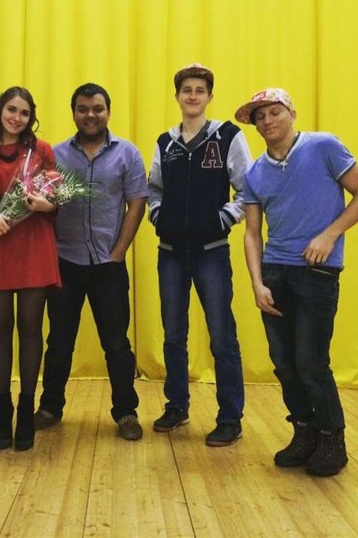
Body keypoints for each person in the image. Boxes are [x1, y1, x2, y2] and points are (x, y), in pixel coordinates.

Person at [237, 88, 358, 476]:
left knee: (311, 361)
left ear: (291, 113)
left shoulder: (324, 146)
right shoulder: (254, 173)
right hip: (275, 272)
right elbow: (252, 233)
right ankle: (304, 430)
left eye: (274, 112)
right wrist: (257, 282)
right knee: (283, 361)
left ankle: (331, 437)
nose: (267, 121)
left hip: (317, 272)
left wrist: (330, 235)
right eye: (260, 116)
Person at [148, 63, 252, 446]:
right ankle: (177, 405)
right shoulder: (165, 143)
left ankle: (230, 417)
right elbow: (153, 189)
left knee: (222, 336)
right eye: (186, 90)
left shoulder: (228, 136)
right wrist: (158, 215)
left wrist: (223, 218)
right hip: (171, 253)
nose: (192, 95)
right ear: (177, 96)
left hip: (212, 252)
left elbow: (247, 190)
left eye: (199, 90)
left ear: (209, 96)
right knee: (174, 334)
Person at [35, 83, 147, 441]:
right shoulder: (55, 155)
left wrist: (119, 252)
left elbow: (137, 203)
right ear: (74, 113)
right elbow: (43, 202)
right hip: (64, 262)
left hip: (108, 264)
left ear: (108, 112)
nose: (90, 115)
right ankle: (50, 407)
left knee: (116, 344)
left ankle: (126, 412)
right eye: (83, 109)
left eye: (97, 108)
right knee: (59, 341)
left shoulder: (127, 153)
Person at [0, 87, 60, 451]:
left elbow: (55, 195)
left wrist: (46, 204)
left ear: (31, 117)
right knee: (0, 328)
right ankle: (2, 408)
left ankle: (26, 409)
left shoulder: (42, 150)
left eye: (23, 112)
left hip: (34, 242)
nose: (16, 117)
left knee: (31, 328)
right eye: (11, 110)